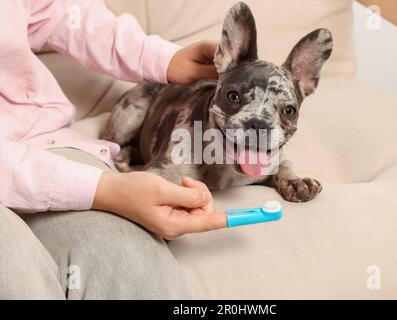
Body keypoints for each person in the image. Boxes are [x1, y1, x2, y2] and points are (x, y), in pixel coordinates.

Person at [0, 0, 227, 299]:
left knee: (132, 269)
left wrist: (161, 58)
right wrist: (106, 190)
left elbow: (52, 9)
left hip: (42, 139)